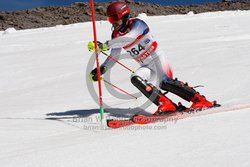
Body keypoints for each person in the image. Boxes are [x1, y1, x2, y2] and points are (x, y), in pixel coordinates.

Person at [88, 1, 216, 115]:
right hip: (146, 66)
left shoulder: (138, 24)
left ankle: (201, 100)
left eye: (115, 18)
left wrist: (104, 45)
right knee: (136, 78)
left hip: (158, 60)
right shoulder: (115, 35)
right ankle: (167, 105)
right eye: (110, 19)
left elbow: (130, 38)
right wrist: (102, 69)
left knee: (164, 82)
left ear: (125, 16)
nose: (113, 22)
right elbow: (114, 55)